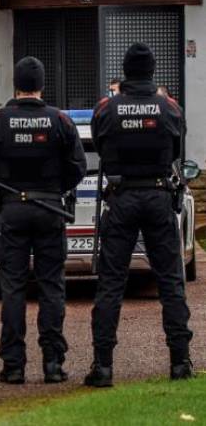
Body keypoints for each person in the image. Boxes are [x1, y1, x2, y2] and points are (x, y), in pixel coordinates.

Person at [85, 43, 193, 388]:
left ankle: (103, 366)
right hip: (160, 194)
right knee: (171, 280)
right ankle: (180, 361)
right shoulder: (169, 107)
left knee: (111, 282)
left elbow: (100, 145)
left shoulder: (107, 107)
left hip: (122, 196)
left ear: (126, 70)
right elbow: (177, 148)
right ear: (152, 70)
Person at [0, 56, 86, 385]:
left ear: (16, 84)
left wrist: (0, 192)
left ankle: (13, 365)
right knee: (52, 287)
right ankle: (53, 363)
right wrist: (54, 190)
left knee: (13, 288)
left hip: (11, 209)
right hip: (50, 209)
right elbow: (78, 167)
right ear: (40, 86)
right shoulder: (60, 121)